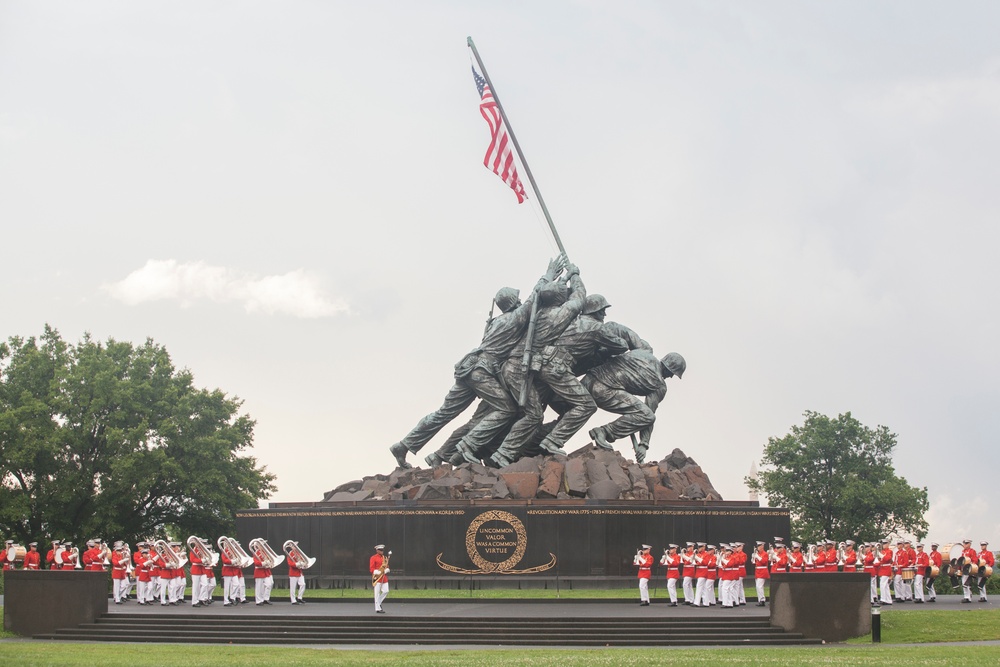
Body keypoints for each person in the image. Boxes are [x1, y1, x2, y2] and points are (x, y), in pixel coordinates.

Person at [390, 257, 566, 468]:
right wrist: (549, 275)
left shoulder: (495, 322)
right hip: (482, 371)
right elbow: (534, 297)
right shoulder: (514, 319)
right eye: (517, 300)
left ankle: (405, 444)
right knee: (507, 409)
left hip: (468, 367)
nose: (521, 302)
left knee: (444, 413)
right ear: (514, 303)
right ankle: (467, 445)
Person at [581, 350, 685, 463]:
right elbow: (649, 414)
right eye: (672, 374)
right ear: (668, 369)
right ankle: (604, 431)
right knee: (647, 416)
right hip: (603, 390)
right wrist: (644, 445)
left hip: (588, 380)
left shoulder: (643, 353)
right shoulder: (659, 384)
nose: (670, 377)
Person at [370, 544, 390, 614]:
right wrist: (376, 571)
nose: (382, 551)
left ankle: (378, 602)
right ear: (377, 550)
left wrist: (387, 570)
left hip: (384, 577)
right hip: (377, 577)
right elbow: (371, 568)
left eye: (382, 550)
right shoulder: (373, 558)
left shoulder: (385, 558)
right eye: (380, 550)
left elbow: (387, 566)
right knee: (377, 593)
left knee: (386, 591)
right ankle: (378, 608)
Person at [752, 542, 770, 606]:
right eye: (758, 546)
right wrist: (754, 557)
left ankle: (762, 600)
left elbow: (764, 562)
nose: (758, 548)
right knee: (758, 586)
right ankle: (760, 600)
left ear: (762, 546)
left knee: (759, 586)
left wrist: (758, 557)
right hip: (758, 571)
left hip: (762, 571)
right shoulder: (758, 554)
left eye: (759, 546)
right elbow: (754, 562)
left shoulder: (765, 554)